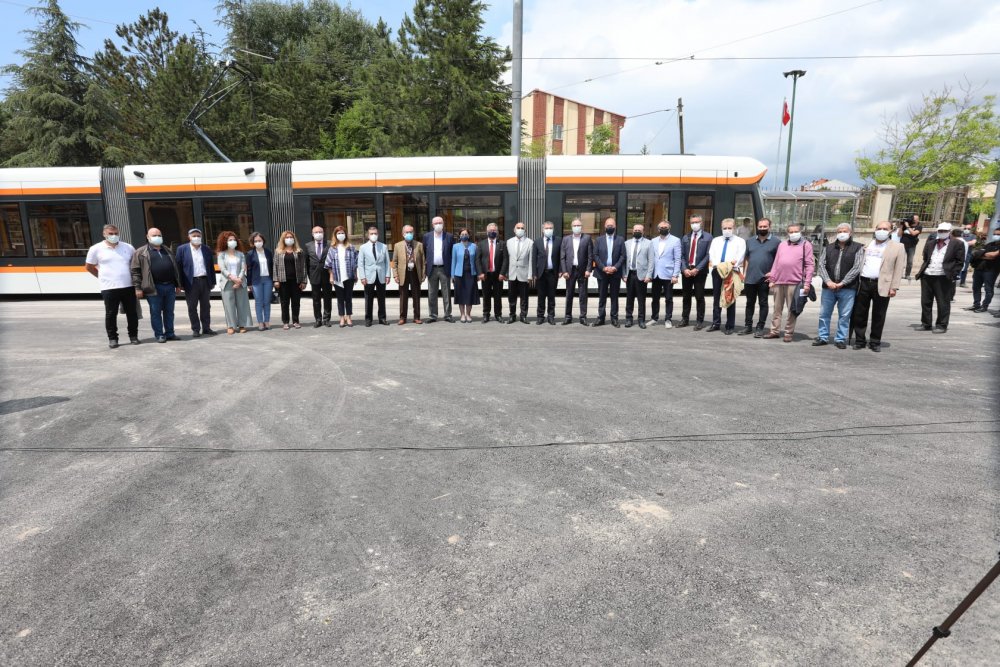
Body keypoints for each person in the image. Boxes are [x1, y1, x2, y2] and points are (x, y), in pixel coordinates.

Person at [851, 221, 905, 352]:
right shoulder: (866, 244)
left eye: (885, 229)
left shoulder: (898, 247)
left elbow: (899, 268)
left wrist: (894, 287)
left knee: (879, 314)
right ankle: (860, 340)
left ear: (891, 231)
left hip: (882, 284)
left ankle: (875, 341)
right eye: (879, 228)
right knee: (860, 313)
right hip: (864, 282)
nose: (881, 231)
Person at [85, 224, 140, 348]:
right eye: (110, 234)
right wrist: (101, 277)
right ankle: (113, 339)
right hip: (109, 288)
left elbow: (135, 265)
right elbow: (89, 267)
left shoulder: (128, 247)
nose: (114, 236)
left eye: (116, 233)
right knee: (111, 314)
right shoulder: (95, 249)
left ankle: (133, 336)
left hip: (128, 286)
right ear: (104, 234)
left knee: (132, 313)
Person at [813, 223, 864, 349]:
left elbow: (857, 267)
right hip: (828, 288)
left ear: (850, 233)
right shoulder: (829, 247)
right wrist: (828, 281)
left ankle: (840, 339)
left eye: (845, 231)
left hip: (847, 288)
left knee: (844, 316)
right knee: (824, 314)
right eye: (839, 231)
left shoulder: (858, 248)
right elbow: (821, 265)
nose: (842, 233)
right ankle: (823, 337)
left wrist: (843, 282)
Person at [762, 222, 814, 342]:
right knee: (777, 308)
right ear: (787, 233)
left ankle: (788, 332)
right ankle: (774, 331)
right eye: (791, 232)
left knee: (792, 309)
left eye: (796, 231)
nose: (793, 234)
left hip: (795, 282)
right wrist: (772, 278)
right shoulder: (782, 245)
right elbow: (776, 262)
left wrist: (807, 283)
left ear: (800, 232)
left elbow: (810, 265)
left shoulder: (806, 245)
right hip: (779, 282)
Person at [130, 227, 182, 343]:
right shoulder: (141, 252)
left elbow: (174, 268)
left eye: (159, 235)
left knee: (169, 312)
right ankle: (159, 334)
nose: (157, 237)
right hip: (153, 287)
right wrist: (137, 288)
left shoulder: (167, 250)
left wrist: (177, 285)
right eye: (154, 235)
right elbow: (135, 271)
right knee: (155, 312)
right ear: (148, 237)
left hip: (169, 286)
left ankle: (170, 333)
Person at [915, 222, 966, 333]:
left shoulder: (957, 244)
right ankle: (926, 324)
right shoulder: (931, 243)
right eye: (940, 231)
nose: (942, 233)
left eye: (944, 231)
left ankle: (942, 325)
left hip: (943, 276)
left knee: (943, 302)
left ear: (949, 232)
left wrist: (953, 274)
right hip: (928, 275)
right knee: (926, 301)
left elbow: (960, 261)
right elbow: (926, 257)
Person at [739, 218, 781, 337]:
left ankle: (760, 327)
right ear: (757, 227)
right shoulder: (750, 241)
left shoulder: (776, 242)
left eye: (765, 226)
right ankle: (748, 326)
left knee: (763, 303)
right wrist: (744, 274)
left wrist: (773, 274)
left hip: (765, 279)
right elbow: (747, 258)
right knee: (749, 303)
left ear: (769, 227)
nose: (762, 228)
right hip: (750, 278)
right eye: (760, 226)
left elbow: (779, 260)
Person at [705, 218, 747, 334]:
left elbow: (739, 257)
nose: (727, 230)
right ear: (721, 228)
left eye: (729, 228)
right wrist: (719, 266)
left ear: (734, 228)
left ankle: (730, 325)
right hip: (717, 271)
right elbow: (712, 255)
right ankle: (716, 323)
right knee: (716, 298)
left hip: (731, 272)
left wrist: (729, 265)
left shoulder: (740, 241)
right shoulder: (716, 240)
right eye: (725, 228)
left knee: (730, 298)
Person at [175, 227, 218, 337]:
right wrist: (179, 284)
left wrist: (213, 281)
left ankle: (206, 328)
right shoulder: (182, 249)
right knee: (192, 307)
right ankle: (195, 329)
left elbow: (211, 266)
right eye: (194, 236)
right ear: (189, 237)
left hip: (205, 281)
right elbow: (178, 267)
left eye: (198, 236)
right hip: (191, 282)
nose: (196, 238)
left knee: (206, 306)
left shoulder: (206, 249)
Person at [679, 216, 712, 329]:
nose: (694, 224)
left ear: (701, 223)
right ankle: (685, 319)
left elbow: (708, 255)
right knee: (686, 296)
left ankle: (699, 321)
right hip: (687, 272)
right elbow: (682, 255)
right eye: (692, 222)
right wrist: (684, 269)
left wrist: (697, 269)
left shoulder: (708, 237)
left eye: (697, 222)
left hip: (700, 272)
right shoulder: (685, 237)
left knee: (699, 296)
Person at [216, 231, 252, 334]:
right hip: (227, 282)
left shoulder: (240, 254)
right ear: (225, 241)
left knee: (242, 304)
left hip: (240, 281)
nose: (233, 241)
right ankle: (231, 325)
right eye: (230, 240)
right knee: (229, 305)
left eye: (234, 240)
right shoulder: (221, 254)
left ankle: (242, 325)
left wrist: (239, 279)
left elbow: (243, 268)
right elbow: (222, 268)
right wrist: (233, 278)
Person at [560, 218, 594, 326]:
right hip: (570, 271)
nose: (576, 227)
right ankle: (568, 317)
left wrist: (589, 269)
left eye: (578, 225)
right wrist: (564, 271)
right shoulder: (565, 239)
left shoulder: (587, 238)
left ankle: (583, 317)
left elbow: (590, 256)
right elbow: (562, 257)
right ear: (571, 227)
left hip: (582, 271)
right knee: (569, 294)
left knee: (583, 295)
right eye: (574, 226)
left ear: (581, 227)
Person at [592, 217, 625, 327]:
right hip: (602, 273)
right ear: (605, 227)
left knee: (614, 297)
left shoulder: (620, 239)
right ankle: (601, 318)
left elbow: (623, 256)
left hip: (615, 273)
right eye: (608, 225)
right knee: (602, 297)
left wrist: (615, 267)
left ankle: (614, 318)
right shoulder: (598, 240)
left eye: (612, 225)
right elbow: (595, 255)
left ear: (615, 227)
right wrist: (603, 268)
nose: (610, 227)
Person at [648, 220, 681, 328]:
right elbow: (651, 258)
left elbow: (677, 259)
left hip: (668, 274)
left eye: (665, 227)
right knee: (655, 298)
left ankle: (668, 319)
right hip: (656, 274)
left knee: (668, 298)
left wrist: (675, 275)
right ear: (658, 229)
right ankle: (654, 318)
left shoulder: (675, 240)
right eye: (661, 228)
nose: (663, 229)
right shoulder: (653, 241)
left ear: (669, 228)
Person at [324, 226, 358, 328]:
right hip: (337, 277)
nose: (341, 235)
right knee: (340, 299)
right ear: (335, 235)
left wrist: (355, 275)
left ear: (345, 234)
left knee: (348, 298)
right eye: (338, 233)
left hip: (349, 276)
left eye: (342, 233)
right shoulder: (332, 248)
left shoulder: (351, 247)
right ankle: (342, 317)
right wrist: (331, 276)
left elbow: (355, 263)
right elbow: (328, 264)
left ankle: (349, 317)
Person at [391, 225, 425, 325]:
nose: (409, 234)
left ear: (413, 233)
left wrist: (423, 274)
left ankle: (417, 317)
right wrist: (395, 275)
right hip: (403, 274)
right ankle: (402, 318)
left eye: (411, 232)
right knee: (403, 297)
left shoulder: (419, 245)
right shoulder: (397, 245)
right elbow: (394, 262)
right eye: (407, 232)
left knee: (416, 296)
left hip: (415, 273)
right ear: (403, 234)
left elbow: (423, 261)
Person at [501, 221, 534, 324]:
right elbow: (506, 259)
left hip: (524, 274)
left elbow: (531, 260)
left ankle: (523, 316)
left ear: (525, 230)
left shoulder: (530, 242)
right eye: (518, 228)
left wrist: (530, 275)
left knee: (524, 297)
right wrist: (505, 273)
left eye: (522, 228)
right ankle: (512, 315)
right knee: (511, 297)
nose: (520, 230)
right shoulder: (509, 242)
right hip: (512, 274)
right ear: (514, 230)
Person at [273, 230, 306, 330]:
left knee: (296, 302)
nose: (289, 239)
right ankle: (286, 322)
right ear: (283, 239)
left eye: (291, 237)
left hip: (296, 281)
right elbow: (275, 266)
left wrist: (304, 281)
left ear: (294, 239)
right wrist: (276, 280)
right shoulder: (278, 251)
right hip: (283, 281)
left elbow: (303, 266)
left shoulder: (299, 251)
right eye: (287, 237)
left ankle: (296, 321)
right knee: (284, 303)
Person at [424, 216, 454, 323]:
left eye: (440, 222)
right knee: (432, 293)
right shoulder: (427, 236)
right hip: (432, 269)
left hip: (444, 268)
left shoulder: (449, 236)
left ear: (443, 224)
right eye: (436, 223)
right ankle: (433, 315)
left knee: (447, 293)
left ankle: (447, 315)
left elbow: (452, 253)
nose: (438, 225)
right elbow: (424, 252)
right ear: (432, 225)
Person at [358, 225, 390, 326]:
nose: (373, 235)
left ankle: (382, 318)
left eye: (375, 233)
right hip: (368, 277)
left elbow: (387, 262)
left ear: (378, 234)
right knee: (368, 299)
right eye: (371, 234)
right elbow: (360, 264)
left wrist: (388, 275)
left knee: (382, 299)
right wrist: (362, 277)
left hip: (381, 275)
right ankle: (368, 319)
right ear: (368, 235)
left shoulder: (383, 246)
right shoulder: (363, 247)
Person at [622, 224, 652, 328]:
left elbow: (651, 261)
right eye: (635, 230)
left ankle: (641, 320)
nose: (637, 231)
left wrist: (649, 275)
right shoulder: (627, 243)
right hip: (630, 274)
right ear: (632, 231)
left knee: (641, 299)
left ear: (643, 232)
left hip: (642, 275)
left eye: (639, 230)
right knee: (629, 298)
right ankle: (628, 319)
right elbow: (624, 261)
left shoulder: (649, 243)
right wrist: (624, 274)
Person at [476, 222, 506, 323]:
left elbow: (505, 259)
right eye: (490, 230)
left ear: (497, 232)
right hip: (486, 275)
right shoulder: (481, 244)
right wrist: (480, 273)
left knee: (498, 296)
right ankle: (486, 315)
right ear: (487, 231)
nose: (492, 232)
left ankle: (498, 315)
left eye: (494, 230)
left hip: (498, 275)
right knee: (486, 296)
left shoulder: (502, 244)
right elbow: (477, 260)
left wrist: (502, 273)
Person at [533, 221, 561, 325]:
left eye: (550, 228)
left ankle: (551, 316)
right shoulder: (537, 242)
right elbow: (534, 258)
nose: (548, 230)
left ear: (553, 229)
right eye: (546, 228)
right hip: (541, 273)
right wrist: (534, 273)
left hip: (553, 273)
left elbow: (561, 257)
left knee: (551, 296)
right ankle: (540, 316)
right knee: (541, 296)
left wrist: (560, 270)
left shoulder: (558, 241)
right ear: (542, 230)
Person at [305, 225, 333, 327]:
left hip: (327, 275)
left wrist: (332, 275)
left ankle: (326, 319)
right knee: (316, 299)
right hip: (314, 276)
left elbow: (332, 260)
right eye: (316, 232)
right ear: (312, 234)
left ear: (323, 233)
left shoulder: (329, 244)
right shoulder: (308, 245)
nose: (318, 234)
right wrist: (309, 276)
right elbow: (306, 263)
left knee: (327, 298)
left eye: (320, 232)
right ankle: (318, 319)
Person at [451, 228, 480, 323]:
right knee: (461, 295)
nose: (464, 235)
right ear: (459, 236)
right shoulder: (455, 246)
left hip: (471, 274)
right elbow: (453, 261)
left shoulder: (474, 246)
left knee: (469, 294)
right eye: (462, 234)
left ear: (469, 235)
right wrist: (452, 275)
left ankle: (468, 314)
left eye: (466, 234)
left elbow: (477, 261)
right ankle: (462, 314)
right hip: (459, 274)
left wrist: (478, 273)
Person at [246, 232, 274, 331]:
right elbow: (249, 269)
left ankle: (267, 321)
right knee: (259, 302)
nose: (258, 242)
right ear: (253, 242)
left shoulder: (268, 252)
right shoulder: (250, 254)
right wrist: (249, 283)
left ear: (263, 241)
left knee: (267, 301)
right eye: (256, 241)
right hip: (256, 281)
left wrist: (274, 280)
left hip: (268, 280)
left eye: (260, 240)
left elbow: (272, 266)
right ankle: (260, 323)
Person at [967, 231, 999, 313]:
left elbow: (993, 255)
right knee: (976, 287)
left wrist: (982, 255)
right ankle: (976, 304)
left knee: (988, 289)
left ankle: (984, 306)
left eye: (998, 234)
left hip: (991, 270)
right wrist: (984, 255)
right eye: (995, 234)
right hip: (979, 268)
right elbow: (977, 254)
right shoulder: (989, 244)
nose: (996, 236)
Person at [899, 214, 922, 280]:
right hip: (902, 245)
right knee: (900, 260)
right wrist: (902, 226)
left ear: (917, 220)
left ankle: (907, 274)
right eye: (913, 218)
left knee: (910, 261)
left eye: (916, 219)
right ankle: (898, 274)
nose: (914, 220)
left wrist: (907, 226)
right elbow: (899, 234)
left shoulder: (919, 227)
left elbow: (913, 233)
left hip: (911, 246)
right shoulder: (906, 225)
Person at [958, 222, 976, 287]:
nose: (966, 230)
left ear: (971, 230)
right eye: (965, 228)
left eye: (968, 229)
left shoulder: (973, 236)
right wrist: (967, 243)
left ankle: (962, 282)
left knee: (965, 269)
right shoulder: (960, 235)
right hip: (958, 254)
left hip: (967, 255)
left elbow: (973, 242)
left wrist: (961, 243)